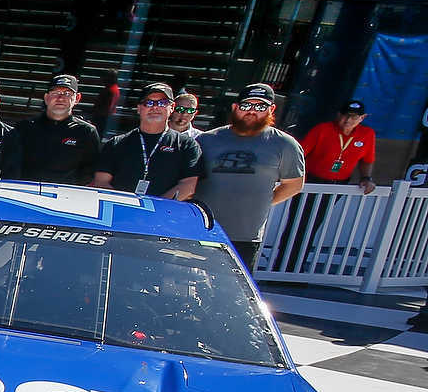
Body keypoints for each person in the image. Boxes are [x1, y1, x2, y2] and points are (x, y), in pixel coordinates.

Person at [194, 83, 306, 270]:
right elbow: (189, 179)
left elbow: (294, 184)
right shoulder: (206, 139)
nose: (252, 111)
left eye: (260, 107)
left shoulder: (284, 144)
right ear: (235, 107)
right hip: (203, 229)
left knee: (233, 294)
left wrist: (262, 201)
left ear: (271, 109)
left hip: (245, 236)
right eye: (246, 106)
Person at [92, 82, 203, 199]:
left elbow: (188, 185)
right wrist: (129, 205)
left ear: (172, 108)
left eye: (162, 103)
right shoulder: (117, 143)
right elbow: (101, 181)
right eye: (148, 103)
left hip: (163, 214)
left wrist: (154, 209)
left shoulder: (187, 145)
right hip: (121, 211)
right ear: (139, 109)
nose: (155, 107)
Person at [14, 74, 101, 185]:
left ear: (77, 98)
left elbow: (90, 170)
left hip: (64, 196)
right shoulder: (25, 128)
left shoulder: (86, 132)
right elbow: (12, 163)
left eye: (67, 94)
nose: (60, 98)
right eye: (55, 93)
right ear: (46, 97)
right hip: (24, 191)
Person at [302, 100, 378, 195]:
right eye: (345, 115)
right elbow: (300, 154)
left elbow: (367, 160)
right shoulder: (322, 129)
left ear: (362, 118)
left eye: (354, 117)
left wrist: (366, 178)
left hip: (340, 184)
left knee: (325, 209)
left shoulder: (367, 134)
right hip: (311, 180)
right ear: (338, 114)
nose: (348, 120)